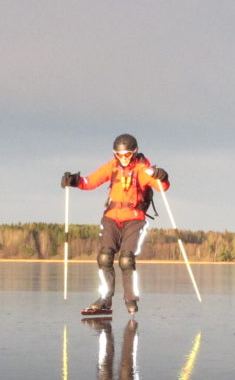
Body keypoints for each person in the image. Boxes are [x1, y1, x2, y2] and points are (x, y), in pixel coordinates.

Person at [61, 134, 169, 316]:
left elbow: (162, 187)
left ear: (134, 152)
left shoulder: (142, 169)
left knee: (126, 260)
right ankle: (105, 298)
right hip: (111, 217)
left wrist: (162, 176)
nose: (123, 158)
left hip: (134, 218)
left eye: (127, 154)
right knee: (104, 257)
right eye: (119, 154)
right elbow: (90, 182)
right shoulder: (112, 167)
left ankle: (130, 298)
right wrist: (74, 180)